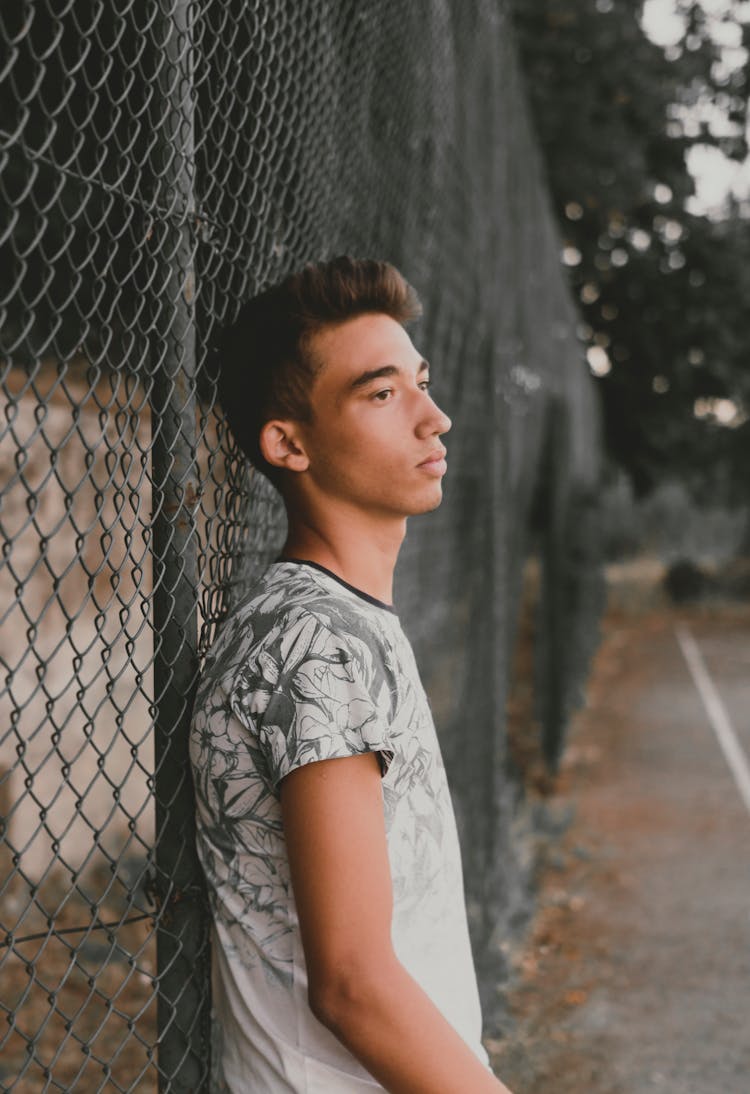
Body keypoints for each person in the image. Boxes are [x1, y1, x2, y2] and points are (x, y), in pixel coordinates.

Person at [188, 256, 515, 1093]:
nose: (433, 418)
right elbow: (354, 985)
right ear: (288, 443)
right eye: (382, 394)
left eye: (421, 383)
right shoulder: (315, 645)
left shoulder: (341, 622)